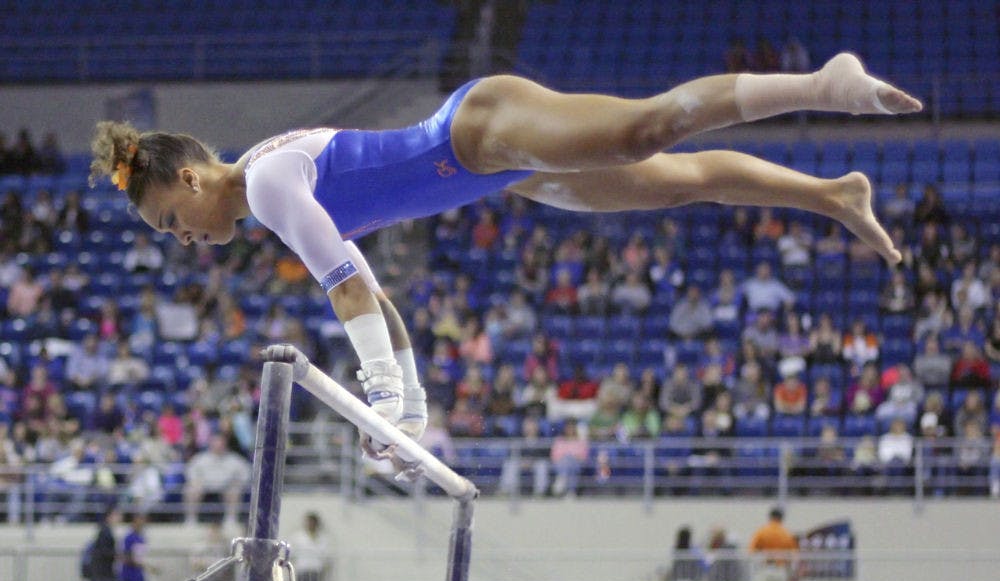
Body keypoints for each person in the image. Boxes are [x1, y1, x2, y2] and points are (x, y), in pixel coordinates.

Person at [90, 54, 919, 463]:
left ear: (191, 175)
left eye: (172, 219)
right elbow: (372, 289)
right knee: (677, 185)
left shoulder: (267, 182)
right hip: (496, 173)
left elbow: (344, 284)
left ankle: (823, 82)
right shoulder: (266, 191)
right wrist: (406, 406)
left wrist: (381, 398)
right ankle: (830, 194)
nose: (185, 239)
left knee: (646, 129)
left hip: (476, 130)